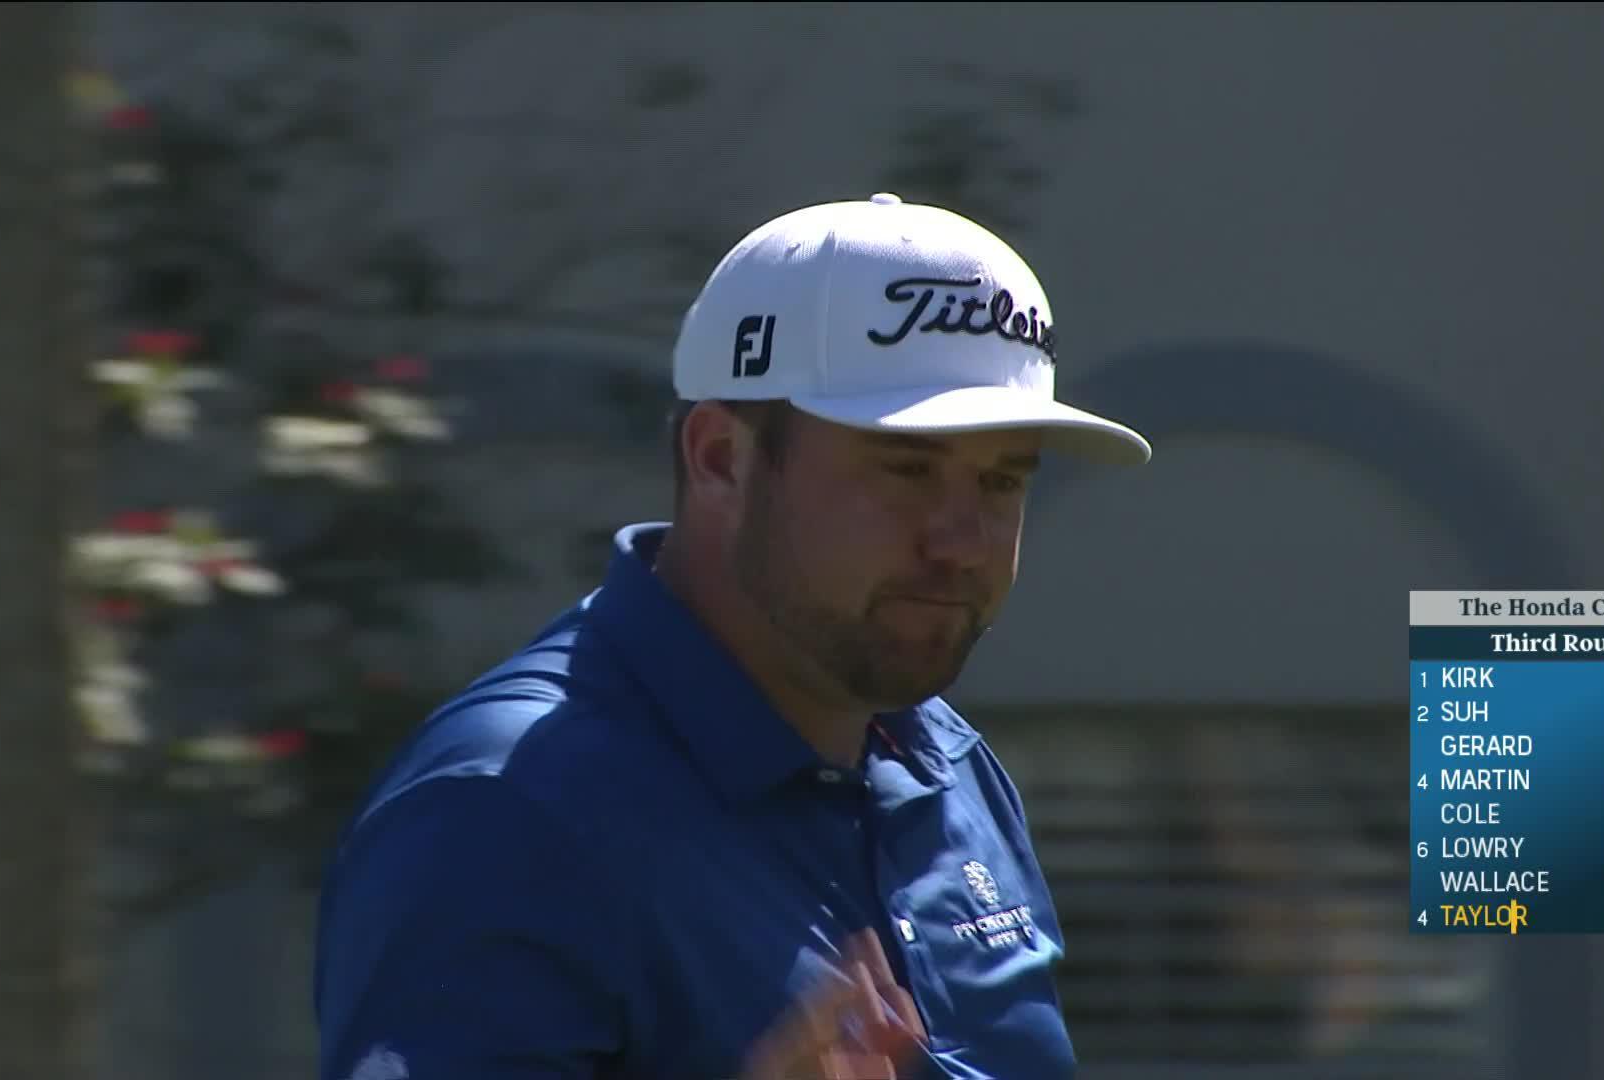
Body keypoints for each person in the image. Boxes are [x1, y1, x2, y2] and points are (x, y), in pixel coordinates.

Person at [313, 192, 1151, 1079]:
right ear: (721, 458)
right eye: (907, 469)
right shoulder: (504, 808)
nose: (963, 542)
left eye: (1003, 481)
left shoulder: (946, 762)